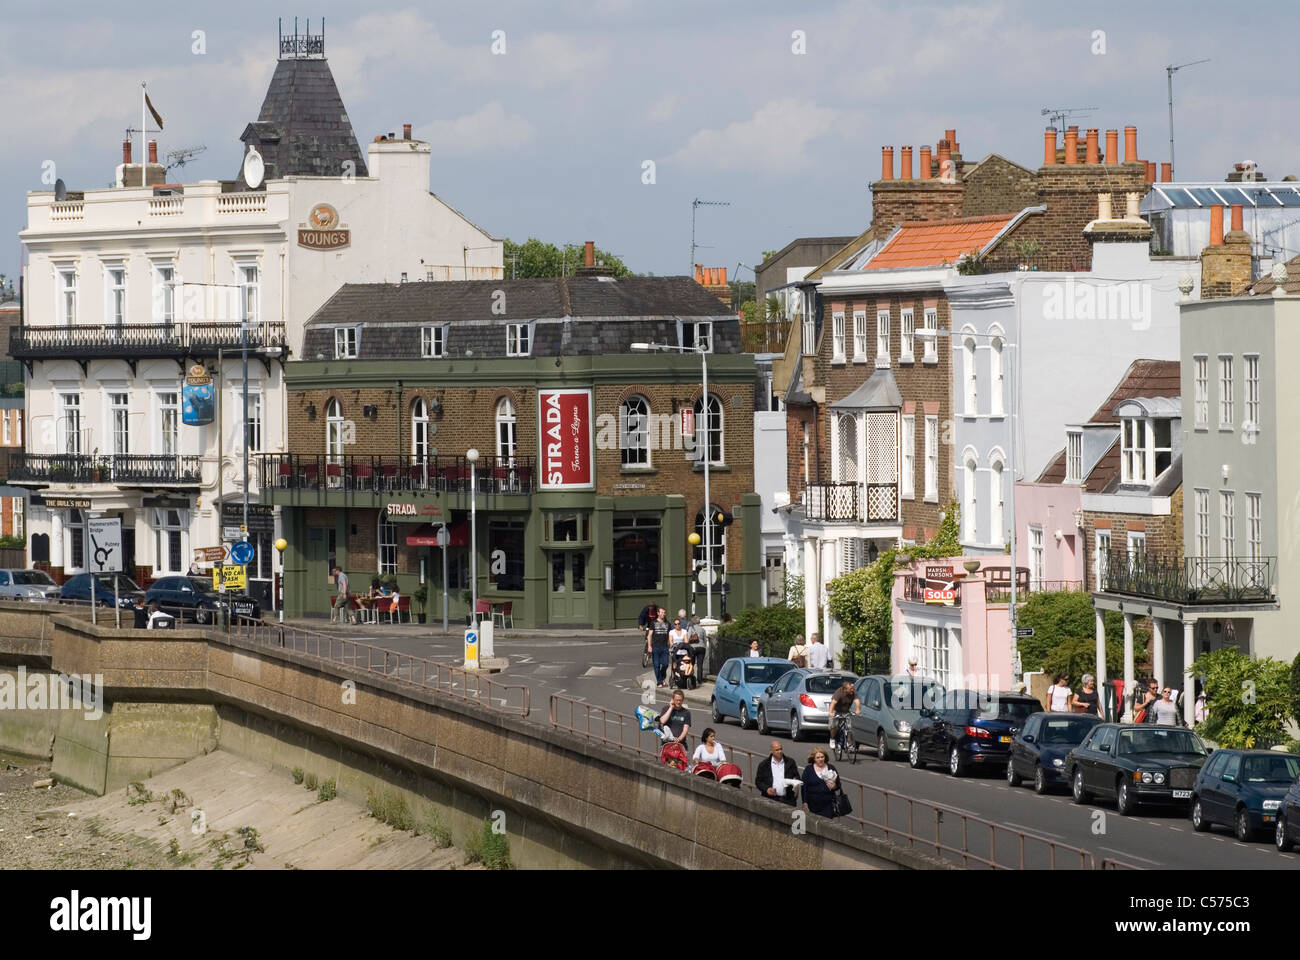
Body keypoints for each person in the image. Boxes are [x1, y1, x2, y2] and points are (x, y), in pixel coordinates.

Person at [801, 748, 848, 819]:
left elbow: (838, 785)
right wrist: (805, 802)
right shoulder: (808, 770)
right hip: (812, 805)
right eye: (818, 757)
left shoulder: (831, 768)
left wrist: (834, 786)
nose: (820, 759)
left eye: (822, 757)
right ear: (814, 759)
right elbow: (804, 787)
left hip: (828, 805)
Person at [755, 741, 799, 806]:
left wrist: (793, 782)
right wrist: (767, 789)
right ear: (771, 751)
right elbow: (758, 781)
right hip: (770, 799)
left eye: (781, 749)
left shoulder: (790, 762)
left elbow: (797, 777)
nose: (780, 751)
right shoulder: (764, 765)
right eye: (777, 750)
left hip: (787, 800)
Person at [828, 680, 860, 750]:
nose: (852, 690)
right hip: (836, 711)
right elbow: (833, 703)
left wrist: (858, 709)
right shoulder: (839, 693)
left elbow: (857, 701)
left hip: (846, 711)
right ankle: (832, 739)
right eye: (850, 689)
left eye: (852, 688)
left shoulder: (853, 692)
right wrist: (831, 712)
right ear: (845, 689)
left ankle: (849, 743)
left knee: (849, 728)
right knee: (834, 726)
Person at [646, 607, 671, 686]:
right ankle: (659, 682)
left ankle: (662, 678)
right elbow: (649, 635)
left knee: (665, 664)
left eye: (664, 612)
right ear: (658, 613)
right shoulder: (653, 623)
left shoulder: (668, 624)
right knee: (656, 665)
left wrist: (670, 645)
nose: (663, 614)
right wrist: (649, 646)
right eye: (662, 612)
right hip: (655, 647)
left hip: (665, 647)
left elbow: (670, 635)